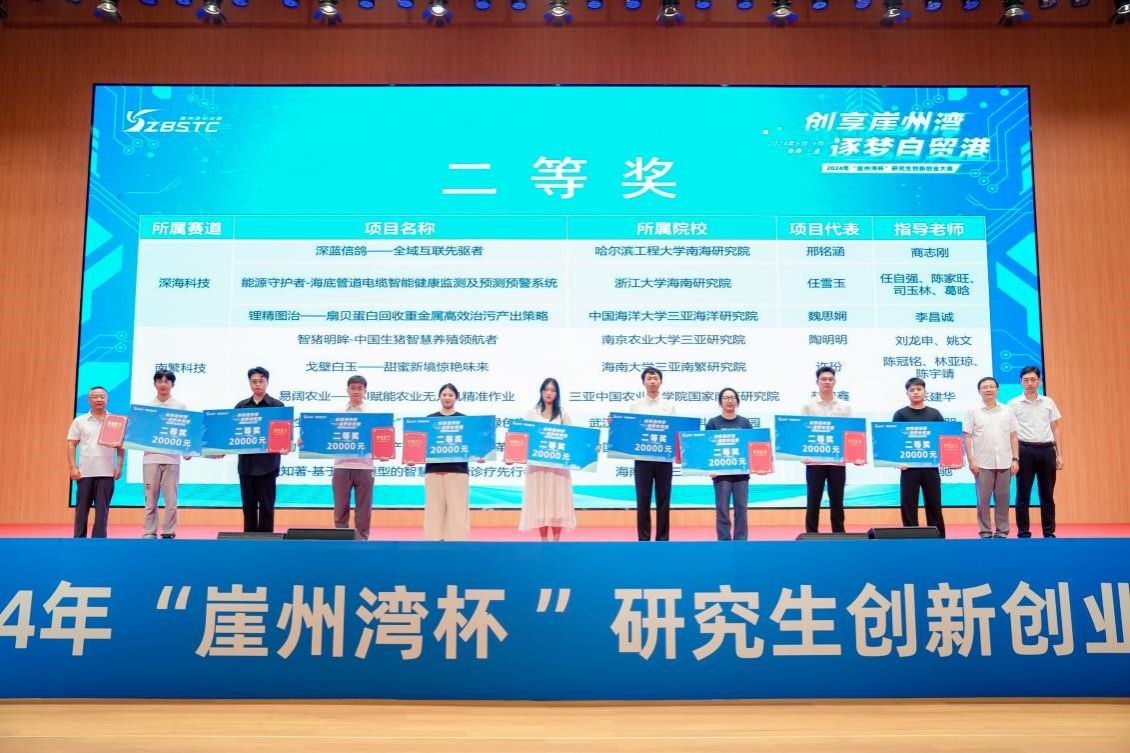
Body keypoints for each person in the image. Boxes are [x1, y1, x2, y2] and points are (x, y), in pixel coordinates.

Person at [1008, 365, 1064, 538]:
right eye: (1026, 380)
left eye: (1033, 380)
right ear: (1020, 382)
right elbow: (1011, 433)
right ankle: (1023, 533)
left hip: (1047, 450)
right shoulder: (1013, 404)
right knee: (1022, 494)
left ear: (1039, 381)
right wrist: (1014, 457)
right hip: (1024, 450)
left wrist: (1060, 454)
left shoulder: (1048, 402)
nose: (1030, 383)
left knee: (1047, 494)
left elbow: (1055, 429)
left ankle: (1049, 532)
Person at [517, 377, 576, 541]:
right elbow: (522, 438)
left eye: (553, 390)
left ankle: (556, 542)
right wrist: (512, 456)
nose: (549, 393)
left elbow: (574, 439)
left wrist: (589, 448)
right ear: (541, 392)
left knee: (558, 504)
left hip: (558, 468)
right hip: (537, 468)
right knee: (540, 504)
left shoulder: (562, 414)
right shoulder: (532, 413)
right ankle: (544, 541)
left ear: (557, 393)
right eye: (546, 390)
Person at [801, 366, 856, 534]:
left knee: (837, 500)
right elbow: (802, 432)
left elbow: (851, 434)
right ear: (817, 382)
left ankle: (839, 534)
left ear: (835, 382)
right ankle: (811, 533)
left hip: (837, 462)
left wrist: (855, 455)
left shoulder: (845, 407)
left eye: (830, 379)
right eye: (823, 379)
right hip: (814, 462)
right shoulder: (808, 406)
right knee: (813, 499)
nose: (827, 382)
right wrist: (803, 455)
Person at [962, 376, 1019, 539]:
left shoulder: (1007, 410)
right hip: (982, 463)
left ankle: (1002, 531)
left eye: (992, 386)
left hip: (1005, 462)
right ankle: (985, 531)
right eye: (985, 387)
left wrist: (1015, 459)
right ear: (979, 391)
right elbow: (966, 437)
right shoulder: (972, 411)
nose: (988, 389)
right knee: (983, 500)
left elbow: (1013, 436)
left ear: (997, 390)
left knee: (1003, 499)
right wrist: (971, 461)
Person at [891, 377, 948, 538]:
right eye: (912, 390)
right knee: (908, 504)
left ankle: (938, 537)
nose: (915, 392)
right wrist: (897, 461)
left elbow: (944, 439)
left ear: (925, 391)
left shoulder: (934, 414)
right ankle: (910, 537)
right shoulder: (900, 414)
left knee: (934, 503)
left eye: (919, 389)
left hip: (931, 467)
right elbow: (894, 440)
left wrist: (950, 459)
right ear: (907, 393)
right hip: (908, 468)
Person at [66, 386, 124, 538]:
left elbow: (121, 447)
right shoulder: (80, 421)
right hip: (85, 473)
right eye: (95, 397)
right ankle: (79, 540)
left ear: (107, 399)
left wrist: (119, 466)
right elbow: (71, 444)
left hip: (106, 473)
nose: (99, 399)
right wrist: (73, 467)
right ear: (89, 400)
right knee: (81, 510)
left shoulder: (116, 421)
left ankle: (99, 542)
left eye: (102, 397)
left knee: (102, 512)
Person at [235, 366, 286, 533]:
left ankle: (266, 541)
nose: (257, 384)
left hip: (268, 465)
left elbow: (283, 434)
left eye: (261, 381)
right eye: (254, 381)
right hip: (246, 465)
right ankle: (249, 541)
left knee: (267, 507)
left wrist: (285, 444)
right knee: (248, 507)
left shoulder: (277, 406)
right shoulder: (241, 407)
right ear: (249, 383)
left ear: (267, 382)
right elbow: (232, 434)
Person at [629, 367, 677, 541]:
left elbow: (674, 431)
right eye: (649, 379)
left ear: (660, 382)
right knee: (643, 498)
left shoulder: (669, 406)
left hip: (664, 459)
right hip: (642, 459)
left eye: (655, 378)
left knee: (664, 498)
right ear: (643, 382)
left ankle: (663, 538)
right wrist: (615, 423)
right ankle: (643, 538)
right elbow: (629, 430)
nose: (652, 381)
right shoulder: (635, 406)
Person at [421, 383, 471, 541]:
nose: (447, 397)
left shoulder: (465, 421)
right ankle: (433, 544)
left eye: (451, 395)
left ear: (456, 397)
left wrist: (480, 455)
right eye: (444, 394)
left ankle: (458, 545)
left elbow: (472, 446)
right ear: (439, 397)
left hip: (458, 471)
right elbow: (421, 446)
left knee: (458, 512)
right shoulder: (429, 420)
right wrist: (413, 457)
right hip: (433, 471)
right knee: (433, 511)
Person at [142, 369, 187, 539]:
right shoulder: (146, 408)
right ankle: (149, 531)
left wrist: (187, 450)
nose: (163, 384)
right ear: (155, 384)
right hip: (150, 458)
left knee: (171, 501)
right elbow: (139, 432)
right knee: (150, 500)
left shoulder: (180, 406)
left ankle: (169, 532)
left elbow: (187, 432)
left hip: (172, 459)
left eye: (167, 381)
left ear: (172, 384)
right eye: (159, 381)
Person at [705, 387, 754, 541]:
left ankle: (741, 541)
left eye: (732, 398)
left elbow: (752, 447)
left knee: (741, 509)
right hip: (720, 474)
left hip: (741, 473)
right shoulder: (713, 423)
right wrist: (709, 468)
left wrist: (758, 465)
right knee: (722, 509)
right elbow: (707, 448)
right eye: (726, 398)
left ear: (737, 401)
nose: (729, 401)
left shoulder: (744, 422)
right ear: (720, 402)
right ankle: (724, 541)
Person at [332, 374, 376, 540]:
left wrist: (385, 451)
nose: (356, 391)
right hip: (341, 466)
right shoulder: (337, 413)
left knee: (364, 508)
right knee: (340, 507)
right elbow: (325, 436)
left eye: (360, 388)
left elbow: (382, 438)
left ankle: (362, 539)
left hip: (365, 466)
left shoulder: (373, 414)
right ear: (347, 390)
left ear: (365, 391)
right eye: (353, 388)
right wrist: (306, 441)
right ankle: (341, 539)